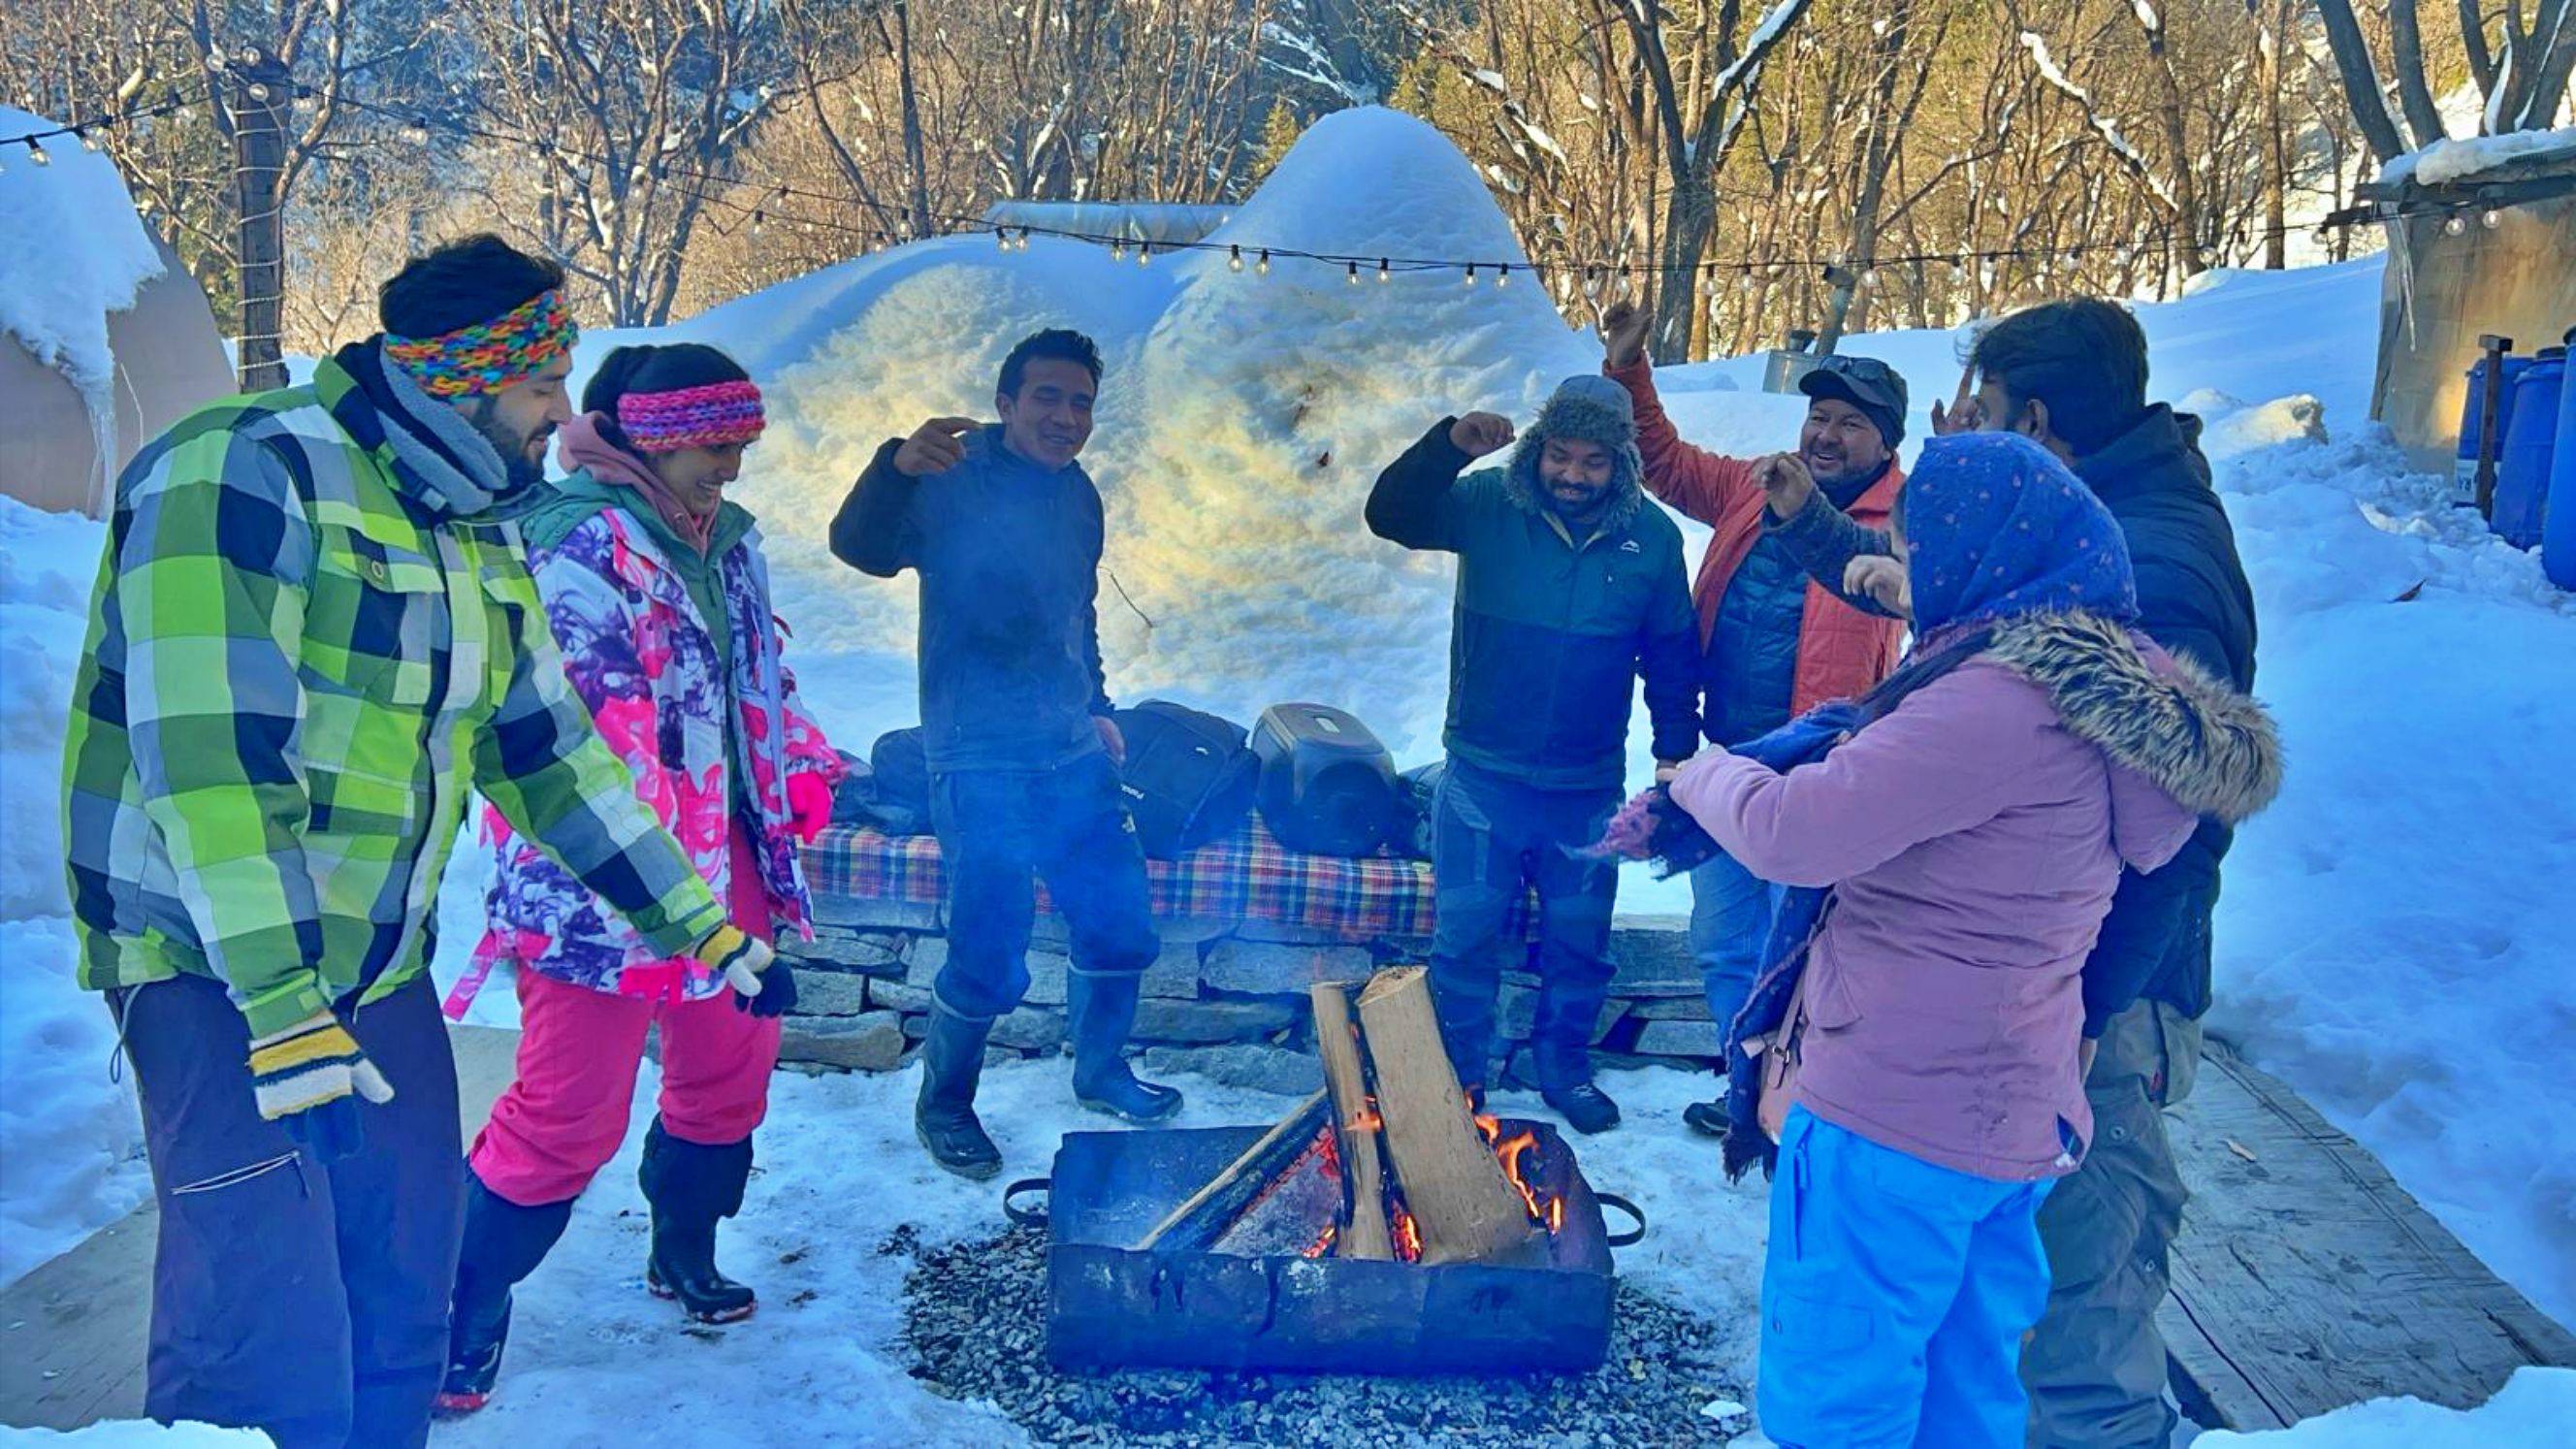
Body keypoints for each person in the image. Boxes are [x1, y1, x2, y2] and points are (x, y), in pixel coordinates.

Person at [59, 235, 780, 1449]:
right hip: (214, 973)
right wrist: (285, 1010)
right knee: (260, 1320)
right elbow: (208, 763)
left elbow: (550, 751)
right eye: (544, 386)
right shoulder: (243, 469)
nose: (562, 416)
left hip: (374, 968)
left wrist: (700, 925)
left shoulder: (471, 519)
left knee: (406, 1283)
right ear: (462, 375)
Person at [1665, 432, 2280, 1447]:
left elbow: (1794, 832)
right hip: (2007, 1118)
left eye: (1917, 553)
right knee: (1969, 1387)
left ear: (1976, 553)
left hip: (1890, 1106)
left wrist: (1701, 773)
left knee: (1840, 1395)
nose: (1911, 578)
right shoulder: (2112, 684)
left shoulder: (1993, 699)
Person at [435, 344, 846, 1414]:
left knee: (727, 1075)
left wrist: (795, 762)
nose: (735, 470)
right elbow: (578, 739)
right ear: (657, 438)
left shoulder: (727, 543)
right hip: (602, 885)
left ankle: (684, 1249)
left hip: (731, 861)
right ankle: (459, 1306)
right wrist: (678, 882)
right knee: (565, 1113)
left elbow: (759, 679)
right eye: (719, 447)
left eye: (743, 448)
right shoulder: (573, 546)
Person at [828, 328, 1180, 1179]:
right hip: (975, 756)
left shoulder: (1078, 494)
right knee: (989, 947)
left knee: (1119, 921)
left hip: (1068, 751)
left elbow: (1076, 612)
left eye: (1081, 403)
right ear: (1006, 402)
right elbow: (862, 549)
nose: (1066, 417)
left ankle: (1098, 1071)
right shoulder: (951, 474)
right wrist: (890, 469)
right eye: (1048, 398)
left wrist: (1095, 706)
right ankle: (944, 1103)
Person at [1596, 302, 1910, 1137]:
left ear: (1887, 444)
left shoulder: (1907, 526)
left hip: (1823, 779)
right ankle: (1745, 1091)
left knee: (1799, 954)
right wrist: (1629, 364)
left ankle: (1798, 1111)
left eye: (1851, 423)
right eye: (1819, 416)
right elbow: (1660, 460)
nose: (1827, 435)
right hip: (1726, 764)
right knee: (1724, 939)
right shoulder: (1753, 485)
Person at [1367, 376, 1699, 1134]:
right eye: (1559, 454)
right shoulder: (1488, 504)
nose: (1573, 476)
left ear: (1621, 463)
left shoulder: (1651, 540)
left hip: (1586, 791)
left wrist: (1675, 758)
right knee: (1464, 943)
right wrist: (1447, 447)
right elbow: (1391, 514)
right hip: (1482, 781)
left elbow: (1673, 657)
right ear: (1539, 449)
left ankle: (1565, 1067)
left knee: (1580, 944)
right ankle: (1458, 1078)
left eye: (1593, 461)